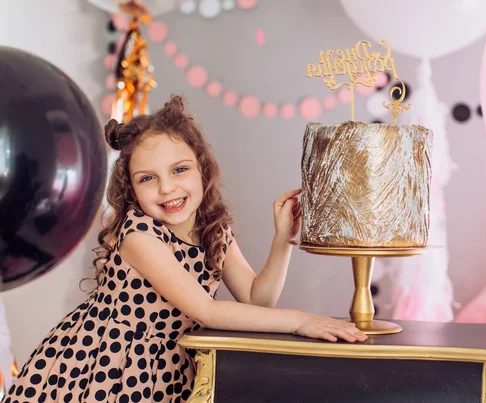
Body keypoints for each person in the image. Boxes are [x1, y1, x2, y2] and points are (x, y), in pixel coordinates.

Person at [3, 95, 366, 402]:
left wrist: (282, 240)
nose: (167, 189)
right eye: (148, 178)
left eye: (179, 170)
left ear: (203, 170)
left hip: (169, 365)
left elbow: (258, 300)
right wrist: (301, 320)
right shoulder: (139, 236)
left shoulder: (214, 230)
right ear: (131, 188)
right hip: (108, 366)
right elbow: (207, 311)